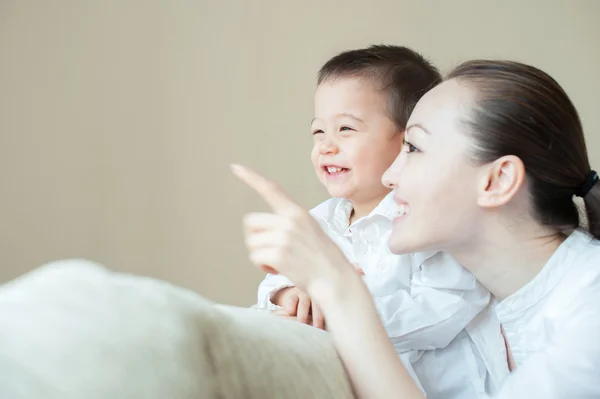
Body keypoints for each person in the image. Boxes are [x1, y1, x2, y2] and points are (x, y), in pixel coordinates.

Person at [233, 59, 600, 398]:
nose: (390, 177)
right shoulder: (511, 315)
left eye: (412, 147)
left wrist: (342, 295)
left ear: (497, 180)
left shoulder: (589, 308)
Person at [256, 46, 508, 397]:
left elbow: (446, 308)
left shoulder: (432, 219)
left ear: (409, 141)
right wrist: (287, 293)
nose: (326, 146)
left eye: (345, 129)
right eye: (318, 132)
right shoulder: (320, 221)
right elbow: (275, 278)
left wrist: (347, 311)